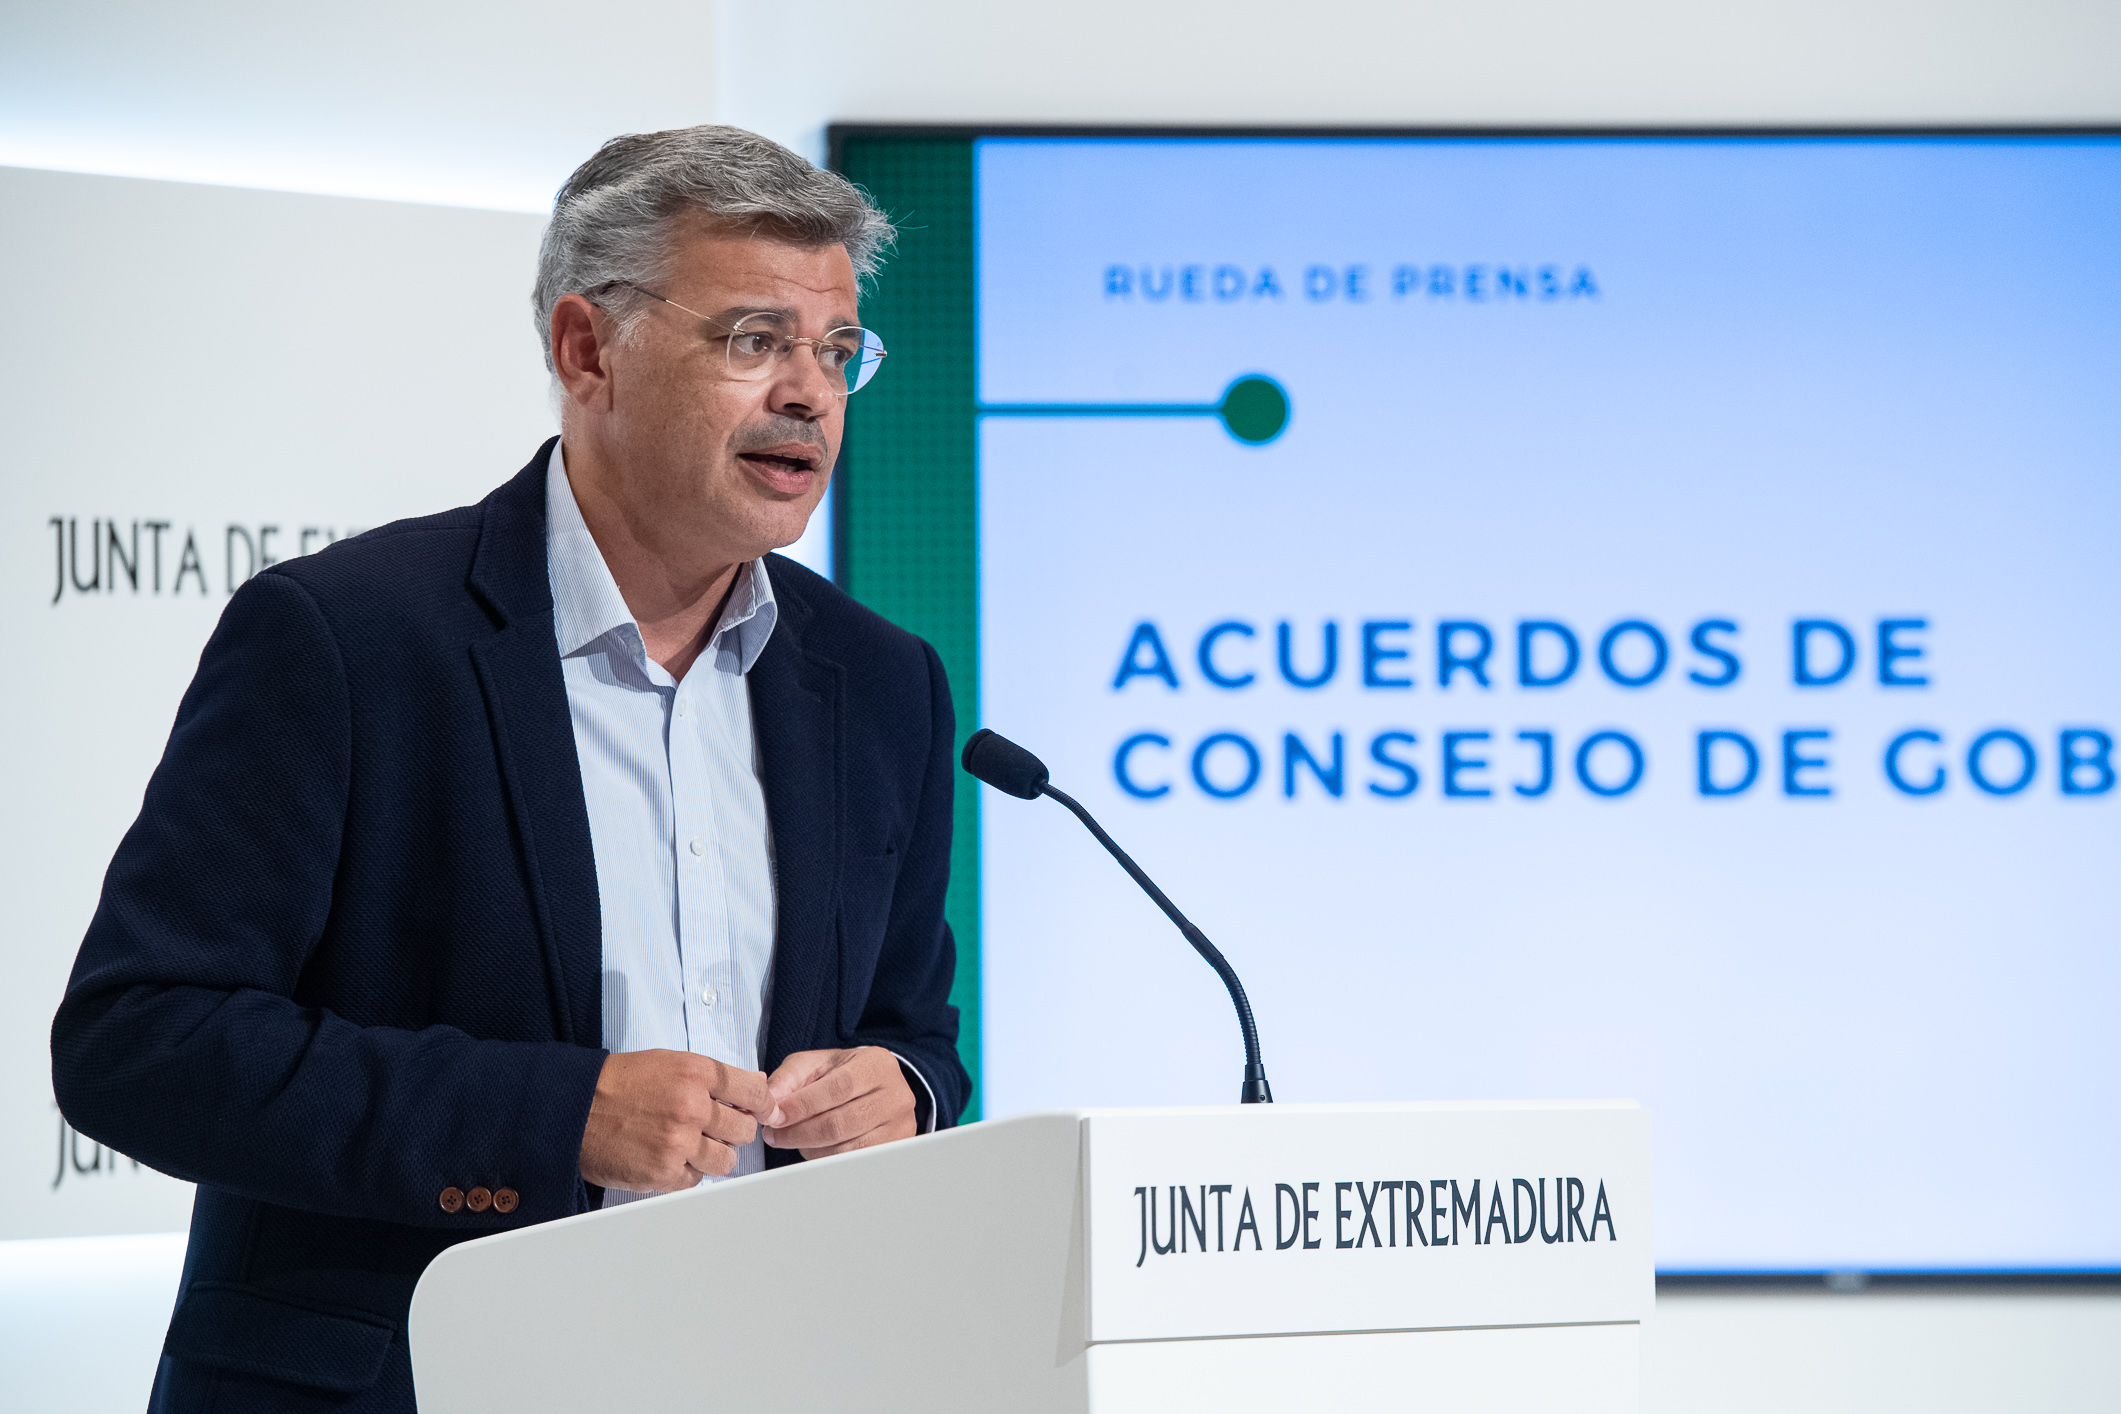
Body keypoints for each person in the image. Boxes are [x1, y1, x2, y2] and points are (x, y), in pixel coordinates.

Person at [50, 125, 967, 1413]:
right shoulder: (348, 637)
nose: (810, 395)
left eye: (834, 350)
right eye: (754, 341)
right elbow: (140, 1041)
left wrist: (903, 1093)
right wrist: (556, 1117)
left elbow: (912, 1027)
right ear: (587, 349)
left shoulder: (881, 685)